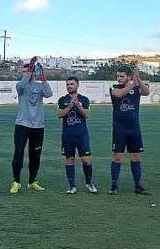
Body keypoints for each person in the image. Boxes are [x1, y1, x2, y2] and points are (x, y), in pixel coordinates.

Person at [10, 57, 54, 194]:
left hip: (38, 126)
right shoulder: (21, 86)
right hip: (22, 125)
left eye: (28, 71)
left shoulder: (40, 86)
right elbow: (22, 84)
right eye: (24, 72)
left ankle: (32, 181)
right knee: (18, 153)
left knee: (35, 155)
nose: (26, 74)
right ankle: (16, 182)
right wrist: (30, 68)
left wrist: (43, 78)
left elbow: (49, 94)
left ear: (34, 73)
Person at [109, 66, 150, 195]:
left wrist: (138, 79)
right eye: (118, 76)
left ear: (129, 77)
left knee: (135, 157)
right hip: (119, 129)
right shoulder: (114, 87)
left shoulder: (136, 87)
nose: (119, 78)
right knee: (117, 157)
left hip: (134, 129)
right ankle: (114, 185)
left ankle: (138, 185)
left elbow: (146, 92)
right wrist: (133, 84)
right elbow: (118, 94)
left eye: (122, 76)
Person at [57, 76, 96, 194]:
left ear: (77, 85)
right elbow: (59, 114)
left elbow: (87, 115)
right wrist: (69, 106)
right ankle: (71, 186)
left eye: (72, 84)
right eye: (68, 84)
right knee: (70, 159)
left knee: (86, 160)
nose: (69, 86)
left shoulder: (84, 99)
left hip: (82, 135)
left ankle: (89, 183)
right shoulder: (62, 100)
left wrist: (78, 105)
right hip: (67, 135)